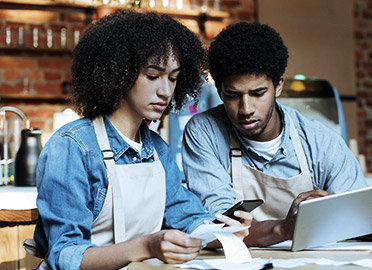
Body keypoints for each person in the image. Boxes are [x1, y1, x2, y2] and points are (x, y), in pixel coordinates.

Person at [30, 11, 251, 270]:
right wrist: (146, 246)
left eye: (173, 78)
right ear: (118, 73)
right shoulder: (73, 146)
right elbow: (65, 255)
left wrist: (220, 233)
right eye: (153, 76)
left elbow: (187, 218)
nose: (166, 91)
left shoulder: (157, 149)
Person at [182, 22, 372, 247]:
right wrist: (285, 228)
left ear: (278, 86)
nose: (246, 109)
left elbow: (361, 223)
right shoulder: (205, 132)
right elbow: (219, 228)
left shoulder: (320, 141)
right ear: (220, 91)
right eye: (233, 95)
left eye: (258, 93)